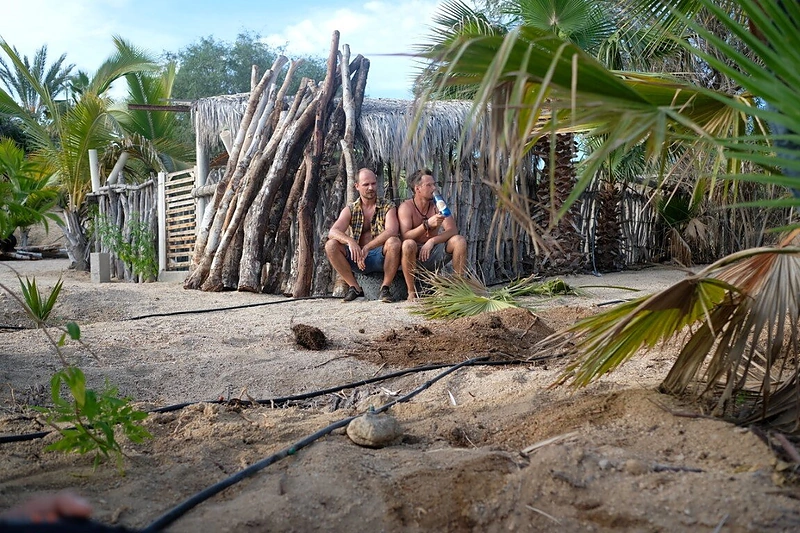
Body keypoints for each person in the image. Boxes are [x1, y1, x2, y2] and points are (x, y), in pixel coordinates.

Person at [325, 168, 401, 302]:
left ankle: (385, 288)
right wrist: (350, 242)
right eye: (366, 184)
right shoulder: (350, 209)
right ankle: (354, 287)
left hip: (380, 256)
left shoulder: (388, 206)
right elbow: (333, 231)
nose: (371, 188)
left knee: (394, 242)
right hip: (357, 257)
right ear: (357, 186)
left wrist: (367, 247)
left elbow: (392, 230)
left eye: (373, 183)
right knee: (331, 245)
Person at [398, 168, 467, 300]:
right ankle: (411, 292)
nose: (434, 188)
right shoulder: (406, 207)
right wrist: (427, 225)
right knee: (408, 244)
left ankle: (460, 287)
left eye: (434, 184)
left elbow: (452, 230)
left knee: (459, 241)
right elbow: (405, 236)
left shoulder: (438, 205)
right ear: (417, 188)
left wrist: (432, 241)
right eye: (429, 185)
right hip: (414, 254)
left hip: (433, 251)